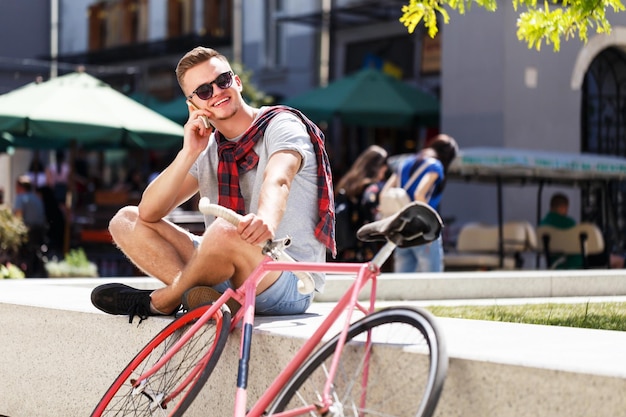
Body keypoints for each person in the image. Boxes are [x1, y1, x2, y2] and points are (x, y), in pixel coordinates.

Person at [91, 46, 335, 323]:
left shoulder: (282, 125)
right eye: (205, 91)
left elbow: (278, 179)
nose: (217, 92)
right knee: (125, 220)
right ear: (194, 105)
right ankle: (202, 298)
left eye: (223, 81)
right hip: (225, 270)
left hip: (287, 276)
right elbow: (149, 212)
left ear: (237, 81)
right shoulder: (209, 149)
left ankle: (163, 300)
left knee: (225, 230)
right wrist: (188, 152)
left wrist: (265, 219)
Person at [383, 134, 458, 273]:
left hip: (402, 228)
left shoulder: (404, 162)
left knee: (403, 279)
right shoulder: (435, 166)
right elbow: (420, 193)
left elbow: (385, 192)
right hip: (422, 229)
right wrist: (430, 225)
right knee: (431, 279)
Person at [539, 192, 625, 269]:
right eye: (566, 208)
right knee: (618, 260)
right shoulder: (569, 223)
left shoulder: (542, 225)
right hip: (576, 262)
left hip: (554, 262)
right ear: (562, 207)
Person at [334, 145, 388, 262]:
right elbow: (369, 207)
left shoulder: (348, 183)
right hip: (363, 247)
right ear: (378, 167)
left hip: (344, 246)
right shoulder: (371, 187)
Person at [12, 175, 48, 276]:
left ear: (20, 187)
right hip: (39, 231)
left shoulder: (21, 197)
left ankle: (17, 267)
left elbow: (17, 217)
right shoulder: (37, 198)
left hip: (28, 231)